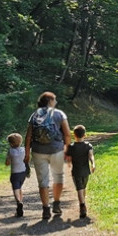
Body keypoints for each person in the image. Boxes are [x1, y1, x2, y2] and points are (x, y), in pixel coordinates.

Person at [24, 91, 72, 220]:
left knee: (42, 181)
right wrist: (68, 151)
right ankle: (56, 203)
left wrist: (27, 153)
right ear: (50, 100)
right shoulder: (59, 114)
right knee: (58, 176)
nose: (56, 102)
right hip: (56, 150)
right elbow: (67, 134)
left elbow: (28, 136)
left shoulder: (34, 115)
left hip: (38, 151)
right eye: (54, 100)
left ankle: (46, 208)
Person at [65, 124, 96, 220]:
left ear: (74, 135)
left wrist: (69, 163)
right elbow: (91, 156)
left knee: (79, 189)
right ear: (85, 135)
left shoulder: (71, 147)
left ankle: (82, 205)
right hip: (86, 171)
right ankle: (83, 203)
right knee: (83, 187)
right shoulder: (88, 146)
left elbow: (68, 158)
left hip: (76, 171)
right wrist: (93, 164)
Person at [5, 132, 28, 218]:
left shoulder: (10, 151)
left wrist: (8, 159)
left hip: (14, 173)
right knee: (19, 188)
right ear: (20, 141)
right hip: (23, 173)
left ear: (10, 143)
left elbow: (7, 163)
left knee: (16, 188)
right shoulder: (23, 150)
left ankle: (18, 202)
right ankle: (20, 202)